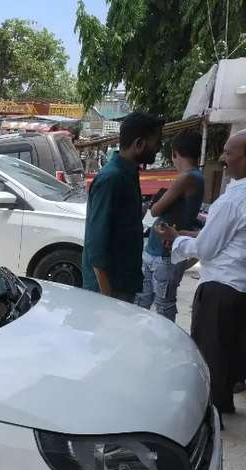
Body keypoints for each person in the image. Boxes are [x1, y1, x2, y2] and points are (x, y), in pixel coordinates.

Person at [157, 130, 246, 415]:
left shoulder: (232, 200)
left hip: (221, 286)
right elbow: (227, 238)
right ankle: (224, 405)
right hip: (239, 287)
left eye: (229, 153)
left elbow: (206, 249)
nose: (223, 158)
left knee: (211, 355)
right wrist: (194, 233)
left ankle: (211, 415)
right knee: (230, 352)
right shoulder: (233, 198)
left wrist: (176, 237)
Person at [82, 113, 164, 301]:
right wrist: (108, 299)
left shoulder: (129, 173)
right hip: (110, 291)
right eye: (156, 143)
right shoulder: (112, 179)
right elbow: (96, 248)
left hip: (124, 284)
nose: (158, 148)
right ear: (139, 144)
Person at [136, 131, 205, 319]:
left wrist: (157, 201)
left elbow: (155, 210)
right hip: (158, 250)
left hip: (165, 253)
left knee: (162, 305)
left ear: (175, 153)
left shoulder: (186, 178)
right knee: (145, 300)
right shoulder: (197, 177)